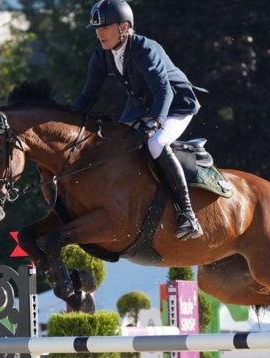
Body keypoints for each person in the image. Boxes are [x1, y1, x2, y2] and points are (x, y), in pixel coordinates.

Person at [72, 0, 205, 241]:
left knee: (155, 143)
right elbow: (88, 96)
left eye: (104, 27)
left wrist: (154, 123)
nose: (98, 33)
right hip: (141, 107)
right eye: (96, 29)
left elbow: (163, 91)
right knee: (115, 143)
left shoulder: (145, 50)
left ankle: (187, 214)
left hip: (175, 105)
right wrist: (68, 120)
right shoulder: (102, 56)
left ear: (124, 27)